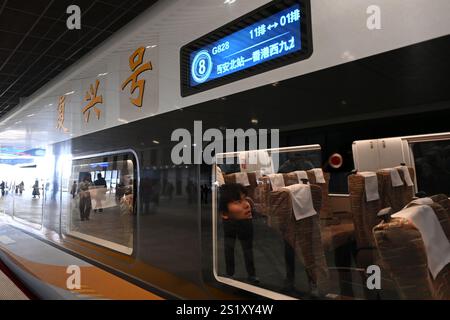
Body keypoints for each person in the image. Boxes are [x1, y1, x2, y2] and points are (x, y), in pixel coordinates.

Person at [219, 183, 259, 284]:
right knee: (229, 248)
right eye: (238, 201)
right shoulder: (227, 221)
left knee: (248, 249)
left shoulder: (247, 219)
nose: (246, 205)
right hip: (230, 224)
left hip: (245, 224)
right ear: (224, 213)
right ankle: (230, 274)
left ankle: (252, 274)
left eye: (245, 199)